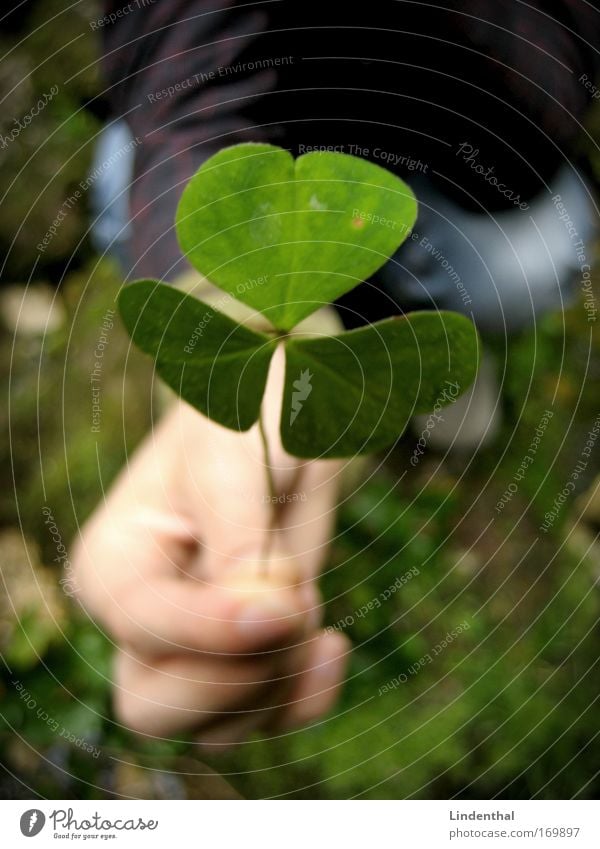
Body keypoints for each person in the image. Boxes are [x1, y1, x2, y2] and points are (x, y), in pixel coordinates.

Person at [73, 0, 600, 741]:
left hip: (450, 159)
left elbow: (554, 93)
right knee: (126, 179)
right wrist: (235, 340)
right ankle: (336, 358)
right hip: (253, 132)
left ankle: (395, 344)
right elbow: (178, 78)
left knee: (542, 249)